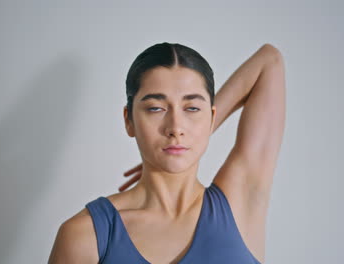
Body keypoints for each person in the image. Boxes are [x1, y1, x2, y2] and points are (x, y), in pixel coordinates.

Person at [48, 42, 285, 264]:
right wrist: (192, 129)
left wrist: (199, 131)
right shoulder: (85, 235)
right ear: (128, 120)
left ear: (211, 117)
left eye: (192, 108)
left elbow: (269, 61)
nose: (175, 128)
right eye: (156, 108)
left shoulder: (239, 203)